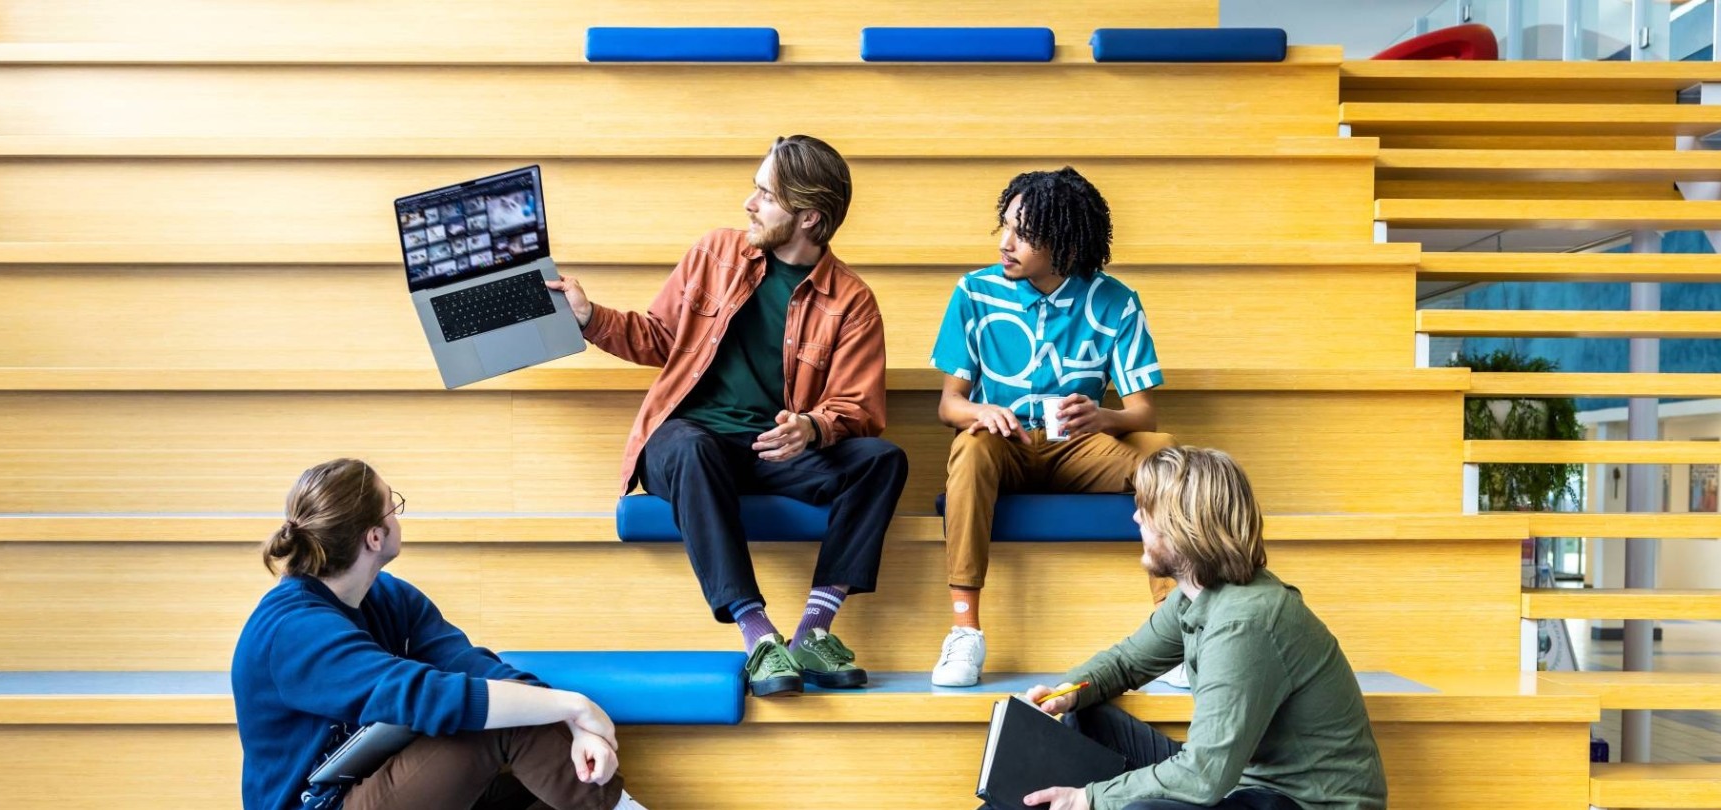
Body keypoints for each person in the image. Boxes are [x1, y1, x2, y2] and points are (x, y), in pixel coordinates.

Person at [545, 135, 906, 697]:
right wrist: (590, 318)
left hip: (770, 452)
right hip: (687, 445)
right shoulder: (715, 253)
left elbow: (858, 408)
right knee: (692, 447)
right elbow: (659, 337)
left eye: (765, 194)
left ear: (809, 217)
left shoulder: (851, 300)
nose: (749, 203)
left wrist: (811, 428)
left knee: (882, 461)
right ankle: (757, 633)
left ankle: (813, 631)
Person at [232, 459, 648, 810]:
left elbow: (472, 666)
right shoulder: (292, 631)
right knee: (508, 723)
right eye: (391, 505)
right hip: (324, 803)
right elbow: (420, 693)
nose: (397, 515)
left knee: (539, 775)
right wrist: (572, 705)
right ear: (374, 536)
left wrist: (570, 721)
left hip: (383, 776)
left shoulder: (390, 596)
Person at [1020, 447, 1387, 810]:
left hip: (1303, 802)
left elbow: (1203, 775)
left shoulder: (1245, 623)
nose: (1136, 519)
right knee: (1085, 716)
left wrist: (1090, 798)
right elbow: (1125, 663)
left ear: (1186, 524)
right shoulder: (1195, 596)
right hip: (1243, 782)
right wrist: (1067, 691)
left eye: (1147, 509)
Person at [928, 167, 1176, 688]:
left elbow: (1143, 415)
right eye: (1006, 226)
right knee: (970, 447)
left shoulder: (1116, 300)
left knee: (1166, 455)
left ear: (1063, 244)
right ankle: (965, 631)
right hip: (1003, 446)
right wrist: (981, 413)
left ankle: (1176, 632)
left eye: (1024, 233)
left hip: (1079, 449)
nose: (1005, 243)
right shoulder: (974, 292)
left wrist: (1103, 416)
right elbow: (949, 405)